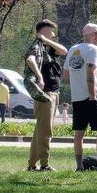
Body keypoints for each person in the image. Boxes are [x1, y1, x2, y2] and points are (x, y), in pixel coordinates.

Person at [64, 22, 97, 171]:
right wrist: (92, 95)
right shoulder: (93, 49)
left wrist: (78, 81)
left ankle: (79, 167)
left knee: (79, 133)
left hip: (76, 97)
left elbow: (65, 74)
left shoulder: (72, 49)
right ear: (92, 35)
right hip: (92, 96)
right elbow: (90, 72)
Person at [24, 20, 66, 171]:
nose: (54, 35)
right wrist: (39, 77)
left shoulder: (48, 47)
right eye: (51, 32)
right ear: (43, 31)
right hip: (45, 94)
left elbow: (64, 51)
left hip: (53, 93)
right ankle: (44, 164)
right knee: (45, 131)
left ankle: (31, 165)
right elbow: (30, 59)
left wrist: (46, 40)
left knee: (39, 131)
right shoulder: (37, 47)